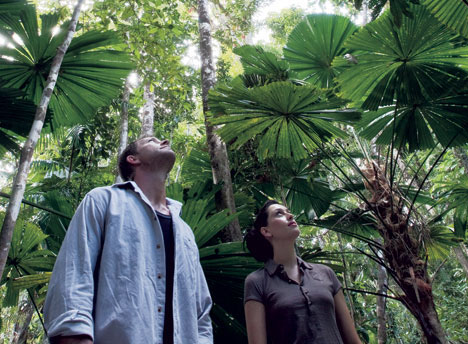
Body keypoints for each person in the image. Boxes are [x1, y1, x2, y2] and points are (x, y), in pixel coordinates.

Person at [43, 135, 213, 344]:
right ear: (133, 159)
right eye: (152, 140)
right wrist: (74, 335)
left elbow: (201, 307)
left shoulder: (185, 231)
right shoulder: (103, 201)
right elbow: (74, 272)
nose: (164, 141)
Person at [243, 200, 364, 344]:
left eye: (288, 212)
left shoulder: (326, 273)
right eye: (279, 214)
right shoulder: (257, 282)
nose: (289, 216)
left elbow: (352, 339)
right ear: (266, 231)